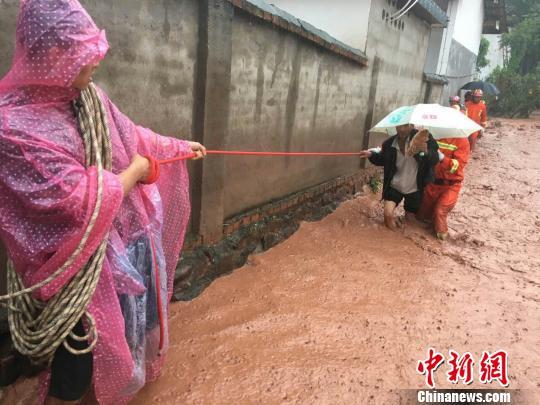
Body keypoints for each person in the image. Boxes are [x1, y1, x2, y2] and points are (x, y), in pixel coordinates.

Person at [0, 1, 206, 403]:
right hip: (75, 271)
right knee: (78, 361)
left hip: (127, 242)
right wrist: (135, 172)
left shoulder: (87, 98)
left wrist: (181, 147)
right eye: (86, 52)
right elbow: (78, 202)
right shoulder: (13, 129)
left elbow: (133, 137)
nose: (97, 60)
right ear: (56, 54)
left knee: (133, 330)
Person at [359, 124, 440, 230]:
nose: (401, 129)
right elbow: (383, 159)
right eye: (399, 126)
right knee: (388, 215)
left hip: (415, 187)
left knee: (410, 219)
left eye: (405, 126)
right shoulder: (389, 144)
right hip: (394, 185)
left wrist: (426, 152)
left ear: (411, 126)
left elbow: (434, 160)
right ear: (396, 126)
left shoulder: (424, 139)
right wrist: (371, 155)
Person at [417, 136, 470, 240]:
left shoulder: (462, 141)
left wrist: (442, 158)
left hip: (451, 185)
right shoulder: (431, 136)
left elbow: (458, 167)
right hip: (431, 183)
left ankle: (443, 242)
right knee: (421, 217)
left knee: (440, 211)